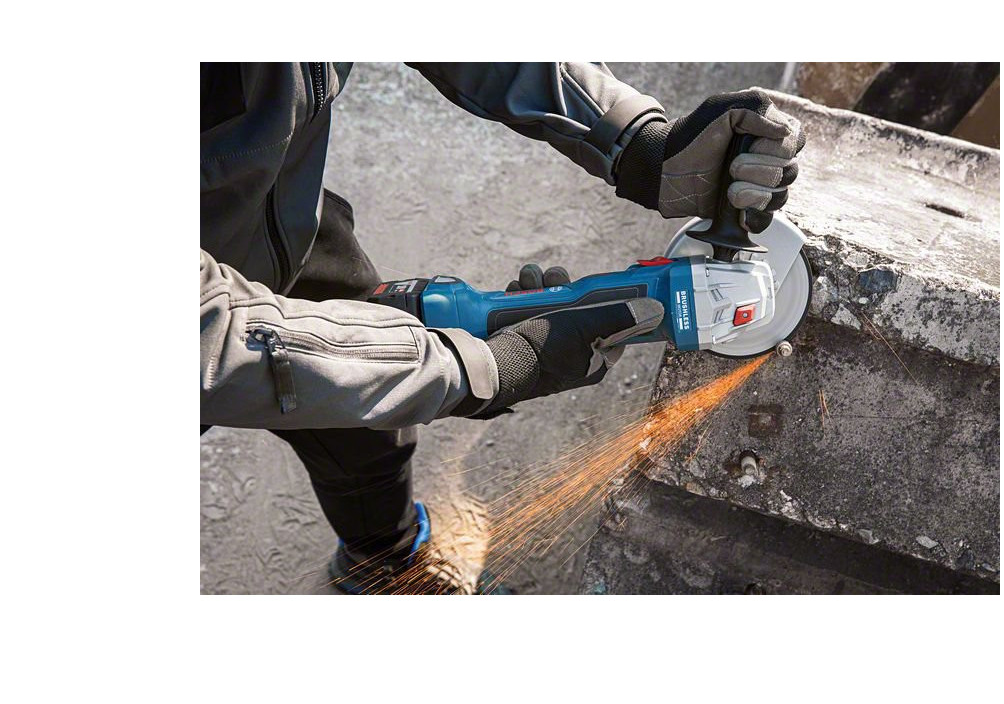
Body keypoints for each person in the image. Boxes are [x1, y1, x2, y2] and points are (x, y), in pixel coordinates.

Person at [200, 63, 804, 593]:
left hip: (278, 218)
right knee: (388, 370)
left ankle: (383, 560)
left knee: (373, 422)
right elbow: (206, 344)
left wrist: (633, 141)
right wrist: (478, 367)